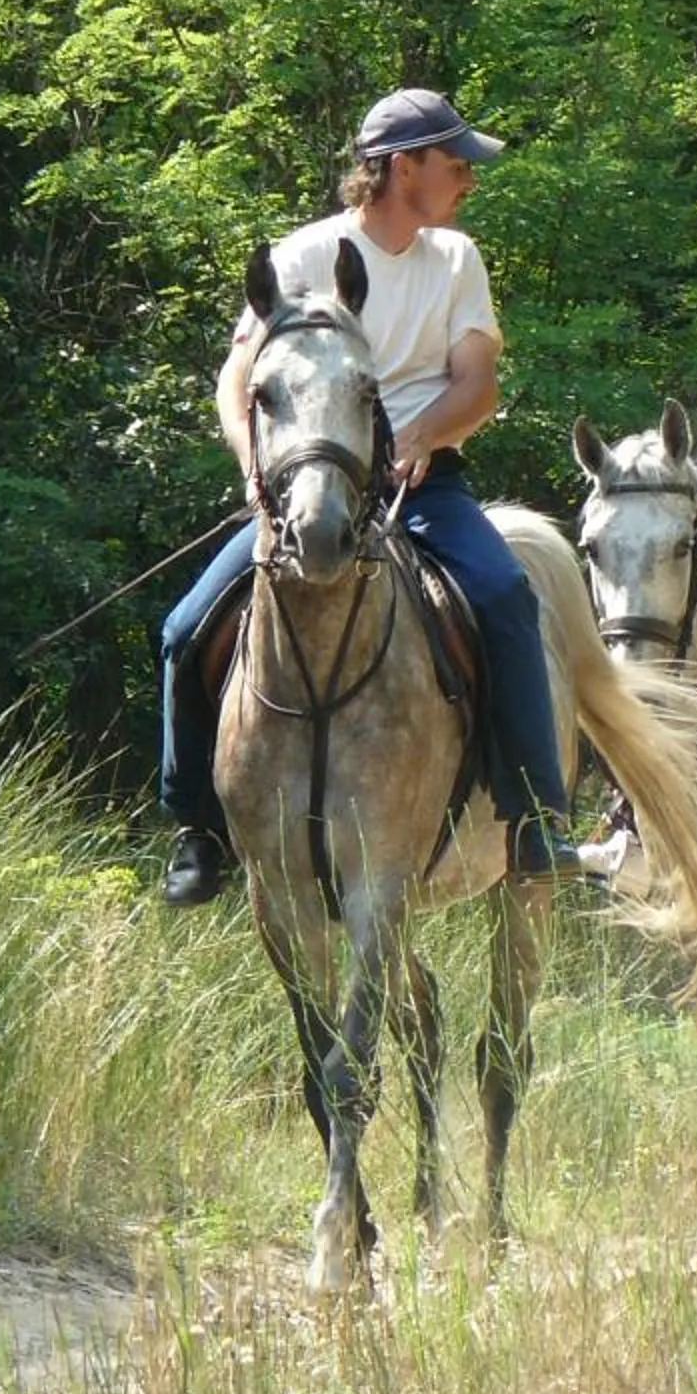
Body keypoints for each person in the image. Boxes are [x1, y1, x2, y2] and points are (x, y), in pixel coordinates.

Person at [158, 87, 577, 905]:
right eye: (454, 162)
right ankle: (197, 829)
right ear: (399, 166)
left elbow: (478, 385)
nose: (468, 178)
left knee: (505, 598)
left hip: (422, 485)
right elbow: (238, 377)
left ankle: (533, 819)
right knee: (183, 631)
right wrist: (254, 466)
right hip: (304, 485)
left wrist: (419, 441)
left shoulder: (457, 260)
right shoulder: (303, 255)